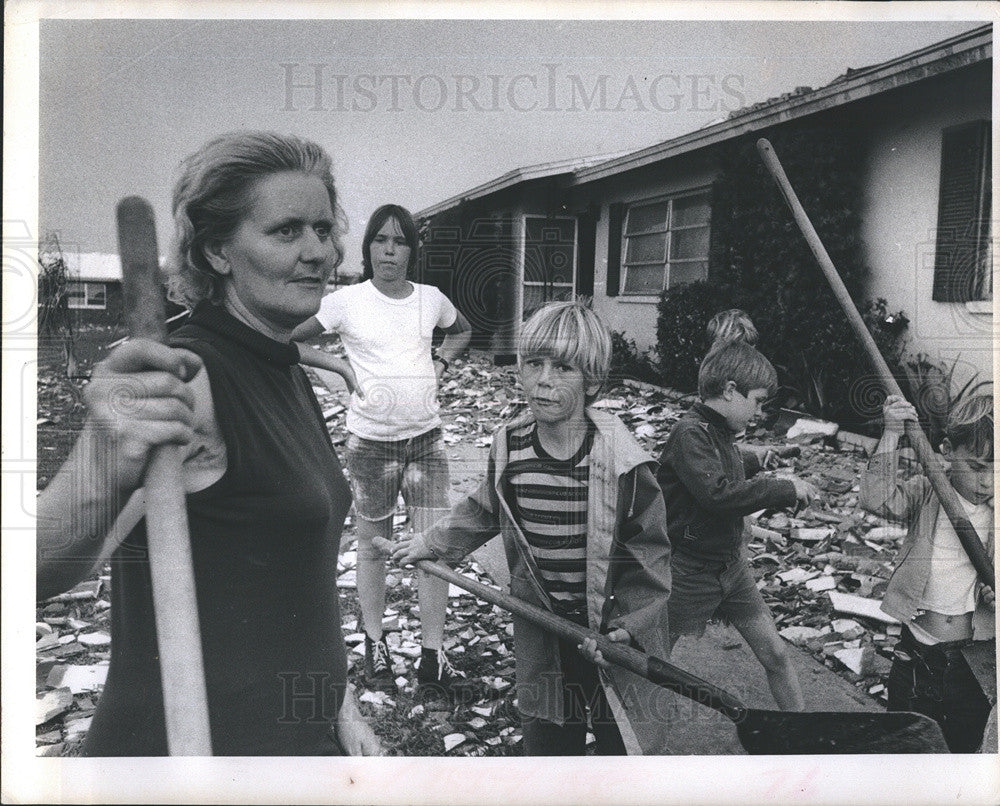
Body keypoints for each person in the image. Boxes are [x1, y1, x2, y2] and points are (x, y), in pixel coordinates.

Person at [37, 131, 382, 756]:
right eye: (286, 232)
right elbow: (38, 568)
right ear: (219, 250)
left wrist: (340, 704)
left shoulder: (281, 368)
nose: (318, 252)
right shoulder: (191, 379)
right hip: (194, 757)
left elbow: (293, 580)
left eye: (324, 230)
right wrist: (99, 459)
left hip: (293, 745)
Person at [392, 301, 673, 755]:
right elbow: (484, 508)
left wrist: (631, 626)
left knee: (624, 743)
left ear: (593, 381)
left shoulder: (622, 461)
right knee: (547, 737)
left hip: (608, 631)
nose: (543, 379)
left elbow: (650, 548)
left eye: (562, 367)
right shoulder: (512, 447)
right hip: (542, 624)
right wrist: (430, 542)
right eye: (533, 363)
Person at [291, 204, 472, 697]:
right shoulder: (347, 301)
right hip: (371, 446)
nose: (389, 250)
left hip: (427, 442)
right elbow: (287, 338)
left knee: (434, 549)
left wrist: (442, 363)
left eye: (399, 241)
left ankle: (433, 657)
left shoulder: (431, 300)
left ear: (412, 249)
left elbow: (463, 332)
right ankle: (376, 646)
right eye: (379, 241)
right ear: (368, 248)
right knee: (373, 549)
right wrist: (338, 370)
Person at [657, 341, 816, 711]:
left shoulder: (718, 433)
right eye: (758, 401)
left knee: (776, 654)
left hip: (731, 568)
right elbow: (717, 494)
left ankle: (804, 735)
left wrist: (757, 460)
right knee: (652, 658)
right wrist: (782, 487)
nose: (760, 412)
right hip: (689, 571)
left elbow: (723, 463)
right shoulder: (689, 433)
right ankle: (624, 734)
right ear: (730, 391)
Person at [861, 393, 995, 752]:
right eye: (978, 467)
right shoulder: (928, 491)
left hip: (972, 660)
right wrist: (891, 434)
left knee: (962, 750)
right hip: (917, 652)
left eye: (996, 471)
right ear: (948, 449)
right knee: (904, 743)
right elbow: (876, 498)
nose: (987, 483)